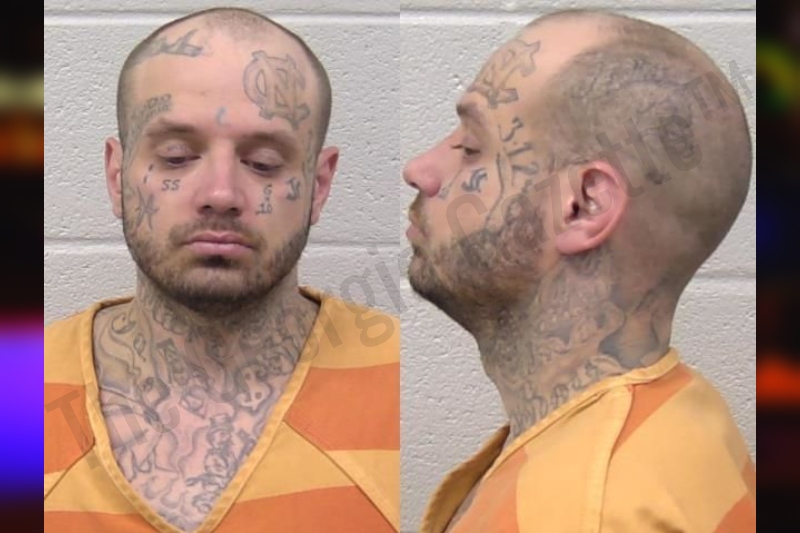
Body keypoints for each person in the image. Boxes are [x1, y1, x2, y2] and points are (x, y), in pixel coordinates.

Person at [44, 8, 399, 533]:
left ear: (319, 186)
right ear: (117, 175)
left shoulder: (400, 382)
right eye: (176, 156)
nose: (220, 194)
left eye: (263, 163)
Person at [403, 9, 754, 533]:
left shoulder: (587, 512)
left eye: (471, 148)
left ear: (583, 206)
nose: (420, 170)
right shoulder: (678, 419)